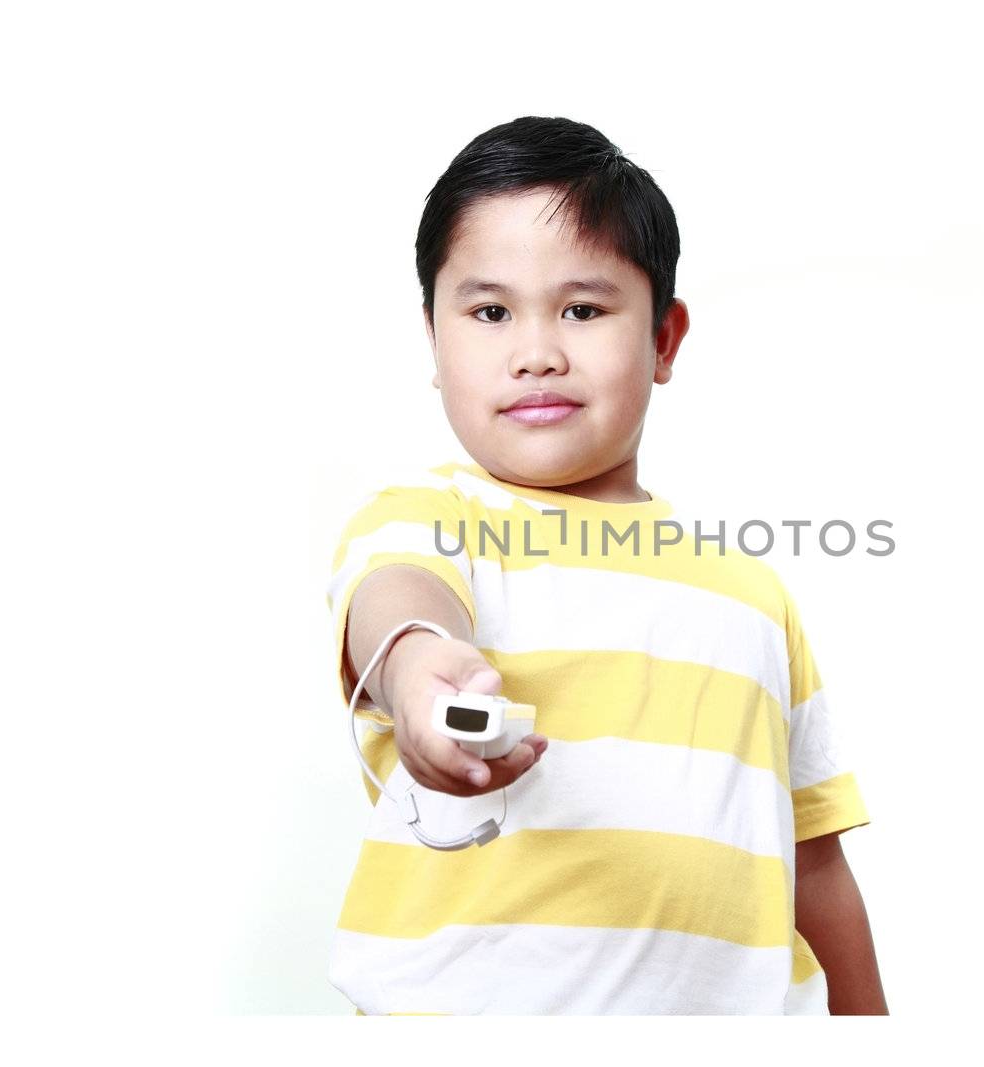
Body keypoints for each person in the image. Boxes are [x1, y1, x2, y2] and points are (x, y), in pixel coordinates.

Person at [325, 116, 887, 1015]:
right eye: (490, 311)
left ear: (664, 339)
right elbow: (401, 607)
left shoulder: (754, 592)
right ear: (434, 337)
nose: (537, 350)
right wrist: (427, 675)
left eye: (583, 310)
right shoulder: (433, 518)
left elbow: (814, 861)